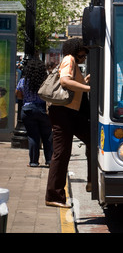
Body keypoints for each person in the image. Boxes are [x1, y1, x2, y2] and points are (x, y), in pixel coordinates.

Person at [45, 38, 91, 208]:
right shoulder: (69, 59)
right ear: (76, 51)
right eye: (83, 53)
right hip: (63, 113)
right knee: (61, 153)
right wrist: (88, 88)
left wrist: (83, 82)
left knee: (92, 139)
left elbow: (72, 85)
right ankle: (54, 195)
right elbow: (65, 81)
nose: (85, 56)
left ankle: (92, 181)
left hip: (71, 113)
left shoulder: (74, 63)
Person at [15, 59, 53, 167]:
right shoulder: (46, 81)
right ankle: (50, 160)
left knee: (33, 136)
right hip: (43, 110)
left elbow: (18, 94)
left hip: (28, 110)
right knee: (47, 135)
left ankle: (33, 162)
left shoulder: (23, 81)